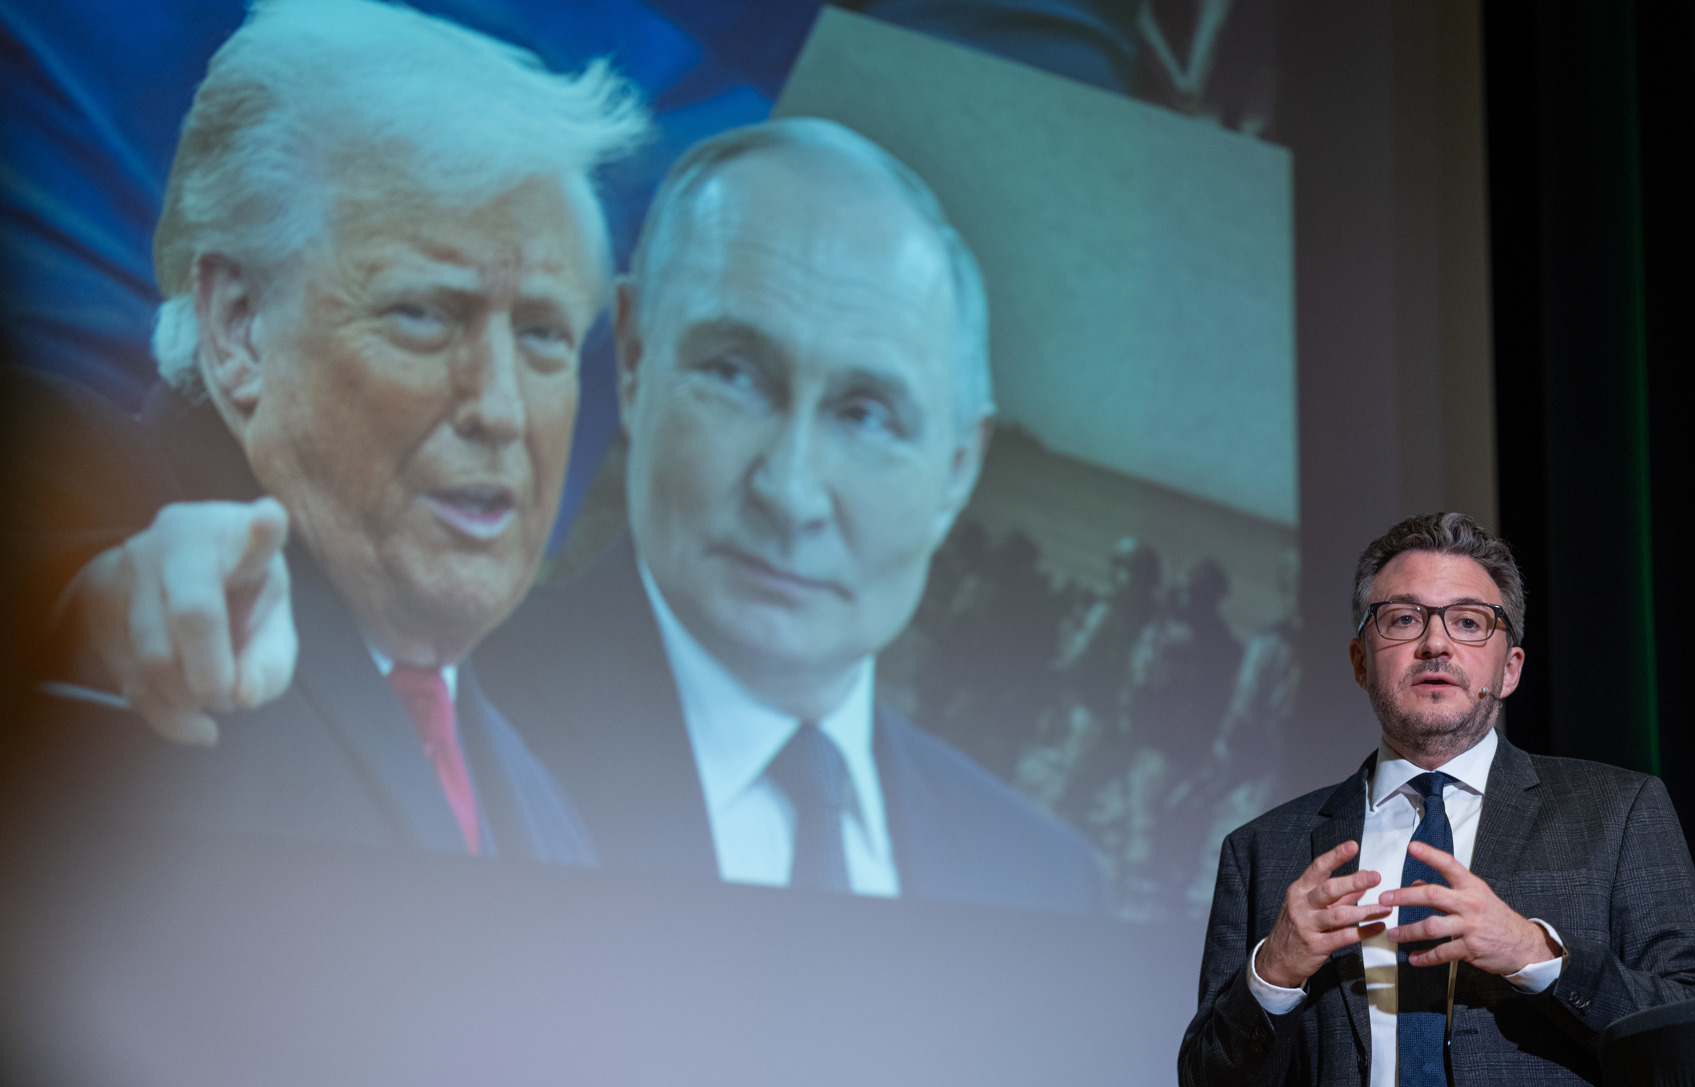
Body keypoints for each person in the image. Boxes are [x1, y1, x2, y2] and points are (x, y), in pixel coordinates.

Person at [23, 0, 648, 861]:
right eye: (424, 313)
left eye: (542, 333)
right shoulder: (80, 491)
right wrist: (83, 625)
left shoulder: (554, 819)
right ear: (240, 326)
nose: (502, 408)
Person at [474, 120, 1105, 912]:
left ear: (956, 472)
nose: (791, 492)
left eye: (867, 415)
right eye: (735, 374)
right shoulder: (443, 715)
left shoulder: (1046, 884)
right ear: (634, 361)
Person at [1176, 512, 1695, 1087]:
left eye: (1469, 622)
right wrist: (1273, 976)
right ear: (1360, 661)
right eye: (1403, 620)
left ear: (1510, 667)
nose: (1435, 643)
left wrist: (1536, 954)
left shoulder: (1618, 812)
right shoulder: (1265, 849)